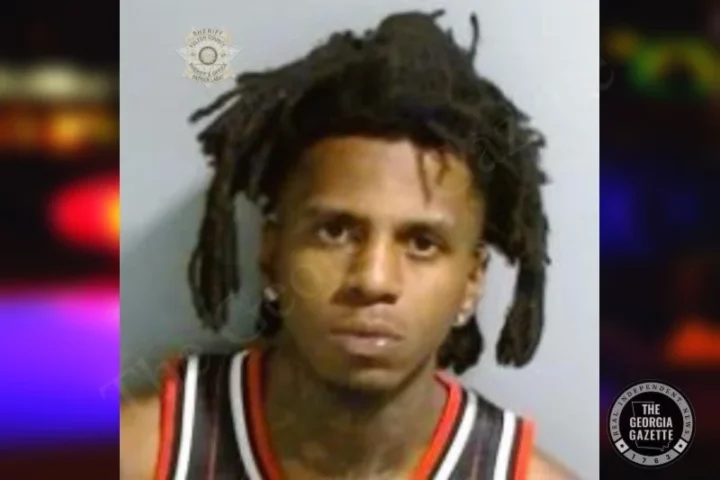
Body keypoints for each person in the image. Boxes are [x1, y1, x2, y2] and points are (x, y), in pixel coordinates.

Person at [121, 9, 577, 479]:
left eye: (422, 243)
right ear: (271, 253)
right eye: (336, 232)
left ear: (472, 281)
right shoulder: (139, 455)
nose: (373, 280)